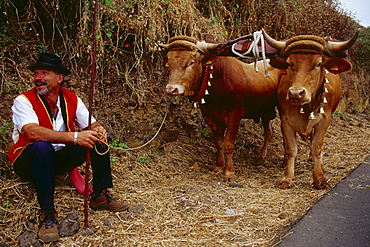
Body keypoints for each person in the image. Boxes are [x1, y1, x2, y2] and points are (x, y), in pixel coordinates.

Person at [7, 53, 128, 243]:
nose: (37, 78)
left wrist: (98, 130)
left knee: (97, 139)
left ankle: (100, 195)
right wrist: (75, 137)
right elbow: (32, 133)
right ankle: (47, 214)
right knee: (41, 147)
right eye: (36, 74)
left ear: (59, 78)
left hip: (55, 160)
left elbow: (92, 123)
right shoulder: (24, 101)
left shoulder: (72, 98)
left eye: (44, 73)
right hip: (28, 161)